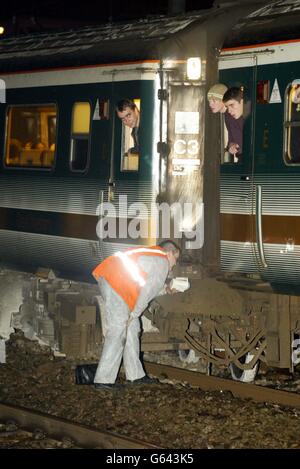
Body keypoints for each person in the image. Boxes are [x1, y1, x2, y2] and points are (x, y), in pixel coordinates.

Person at [92, 241, 181, 390]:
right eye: (175, 259)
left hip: (114, 281)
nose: (174, 264)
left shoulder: (152, 255)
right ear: (170, 253)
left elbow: (146, 285)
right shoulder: (162, 262)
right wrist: (134, 313)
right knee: (118, 330)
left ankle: (136, 376)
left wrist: (166, 289)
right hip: (116, 285)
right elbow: (146, 294)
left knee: (132, 329)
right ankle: (103, 381)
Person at [222, 87, 244, 161]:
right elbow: (231, 140)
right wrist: (231, 146)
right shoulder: (229, 118)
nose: (229, 111)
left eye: (232, 105)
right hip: (242, 160)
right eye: (227, 107)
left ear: (242, 102)